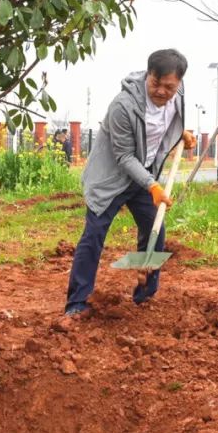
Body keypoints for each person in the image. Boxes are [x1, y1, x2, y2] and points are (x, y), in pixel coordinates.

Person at [64, 49, 196, 318]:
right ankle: (77, 303)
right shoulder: (123, 106)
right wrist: (153, 185)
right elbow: (124, 156)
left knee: (155, 232)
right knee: (94, 236)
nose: (161, 91)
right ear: (148, 75)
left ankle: (144, 296)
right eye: (155, 84)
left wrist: (180, 133)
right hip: (112, 179)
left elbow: (163, 124)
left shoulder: (177, 96)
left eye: (168, 86)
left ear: (179, 83)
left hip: (143, 177)